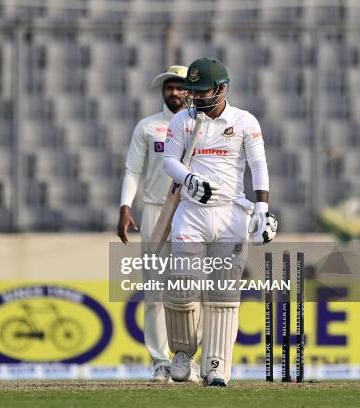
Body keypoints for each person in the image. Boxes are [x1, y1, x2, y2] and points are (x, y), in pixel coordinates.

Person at [162, 57, 277, 386]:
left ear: (222, 89)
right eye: (192, 91)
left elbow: (258, 164)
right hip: (191, 213)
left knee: (222, 293)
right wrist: (188, 179)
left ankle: (217, 364)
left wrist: (262, 208)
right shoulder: (183, 121)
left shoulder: (244, 121)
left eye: (202, 91)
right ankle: (183, 352)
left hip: (230, 214)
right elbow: (169, 160)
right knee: (182, 284)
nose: (195, 97)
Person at [116, 65, 198, 382]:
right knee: (155, 291)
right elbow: (132, 170)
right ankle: (161, 361)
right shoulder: (148, 127)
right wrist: (125, 206)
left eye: (180, 87)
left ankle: (188, 358)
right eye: (169, 87)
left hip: (192, 212)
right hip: (153, 211)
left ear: (190, 91)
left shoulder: (200, 126)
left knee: (193, 288)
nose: (175, 92)